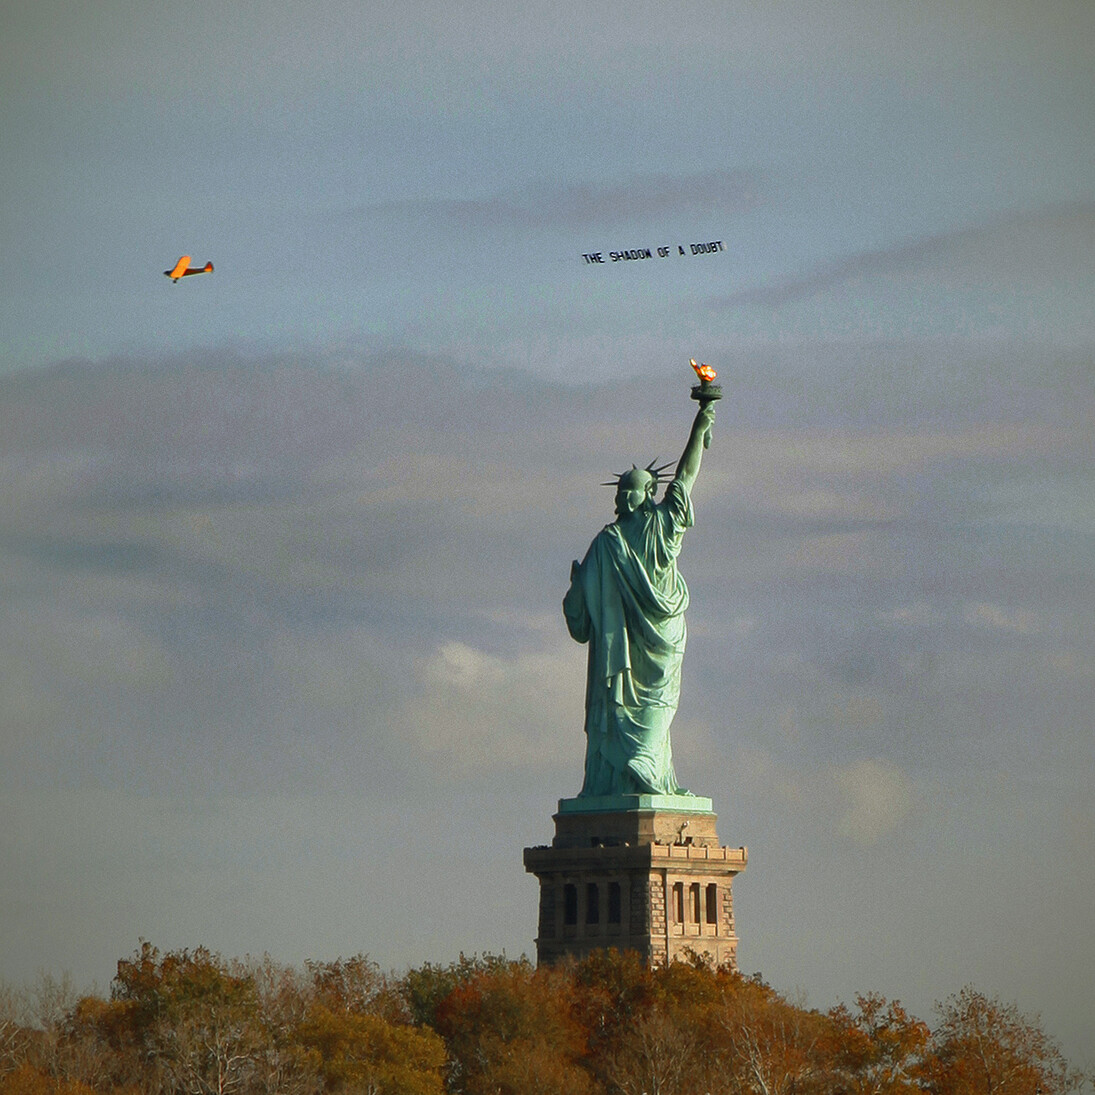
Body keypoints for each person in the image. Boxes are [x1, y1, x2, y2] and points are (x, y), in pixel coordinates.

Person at [563, 395, 716, 796]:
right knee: (642, 708)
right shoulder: (629, 536)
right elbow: (685, 477)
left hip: (644, 647)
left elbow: (685, 477)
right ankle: (632, 773)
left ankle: (641, 767)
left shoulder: (630, 535)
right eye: (620, 492)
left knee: (647, 709)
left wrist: (700, 428)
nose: (620, 498)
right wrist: (580, 586)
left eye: (625, 492)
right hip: (645, 644)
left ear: (639, 495)